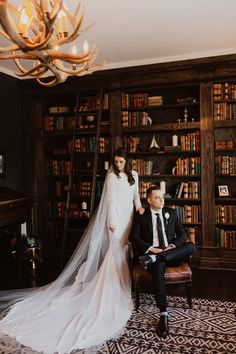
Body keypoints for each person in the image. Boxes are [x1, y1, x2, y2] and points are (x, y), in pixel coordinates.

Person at [0, 148, 143, 354]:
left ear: (127, 161)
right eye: (116, 161)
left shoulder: (135, 176)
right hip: (116, 221)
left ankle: (123, 287)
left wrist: (139, 208)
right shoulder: (111, 176)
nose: (118, 165)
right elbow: (109, 201)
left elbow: (136, 196)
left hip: (129, 218)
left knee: (124, 254)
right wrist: (111, 222)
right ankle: (111, 291)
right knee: (114, 255)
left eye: (121, 162)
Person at [129, 185, 196, 338]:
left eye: (162, 197)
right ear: (149, 200)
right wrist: (152, 250)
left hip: (171, 253)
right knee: (158, 266)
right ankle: (163, 314)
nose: (161, 200)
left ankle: (155, 259)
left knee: (191, 246)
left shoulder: (171, 213)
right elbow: (134, 237)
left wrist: (172, 247)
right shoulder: (142, 215)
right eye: (157, 197)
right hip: (154, 253)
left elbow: (182, 234)